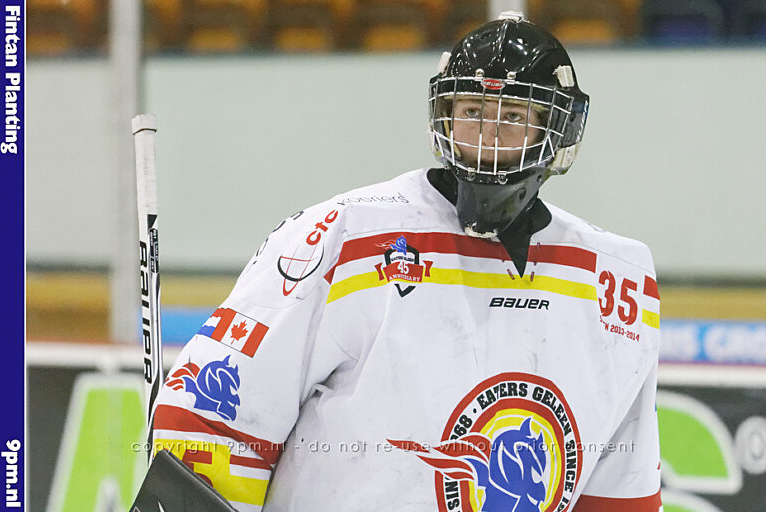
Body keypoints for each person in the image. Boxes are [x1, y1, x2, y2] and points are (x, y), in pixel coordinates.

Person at [149, 12, 662, 512]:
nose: (487, 137)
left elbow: (621, 491)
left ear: (556, 130)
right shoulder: (344, 234)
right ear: (444, 116)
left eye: (513, 117)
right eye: (472, 112)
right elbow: (209, 417)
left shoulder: (617, 279)